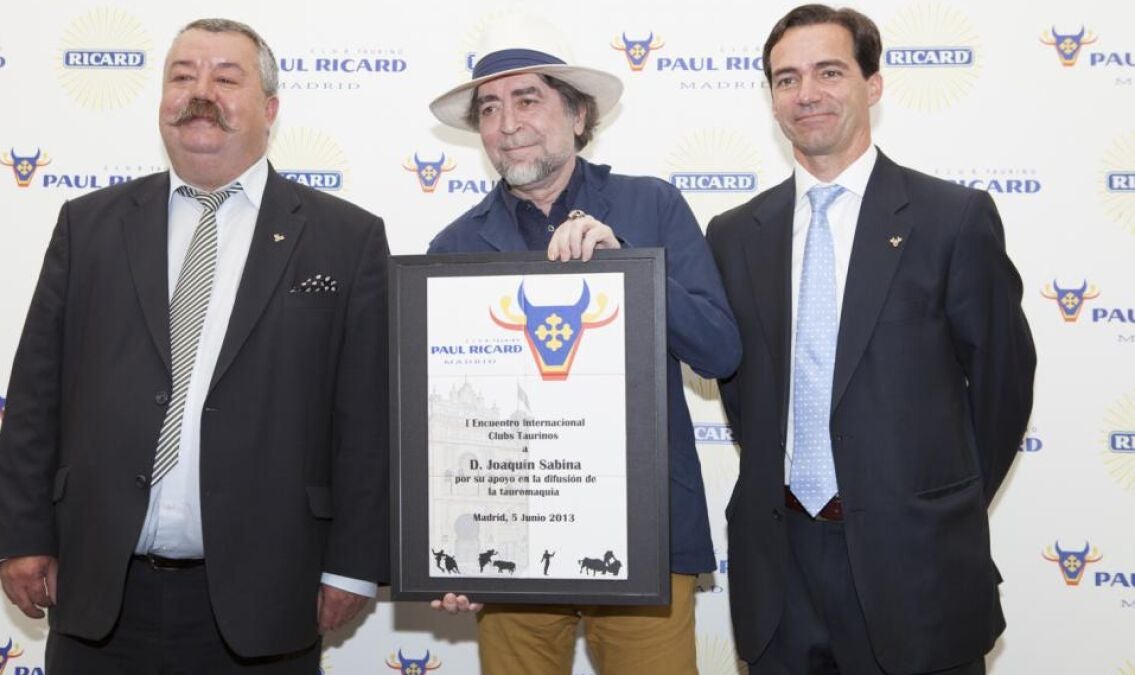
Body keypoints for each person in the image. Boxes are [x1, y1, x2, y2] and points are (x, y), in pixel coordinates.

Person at [0, 18, 389, 673]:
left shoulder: (346, 239)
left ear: (270, 109)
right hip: (98, 590)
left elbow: (365, 418)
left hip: (268, 595)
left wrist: (353, 565)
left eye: (226, 78)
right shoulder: (88, 225)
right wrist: (22, 535)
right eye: (182, 76)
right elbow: (36, 392)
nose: (200, 93)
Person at [705, 5, 1036, 674]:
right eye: (786, 78)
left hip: (916, 567)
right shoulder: (734, 234)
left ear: (873, 85)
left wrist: (929, 502)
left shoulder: (952, 219)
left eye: (829, 72)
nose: (806, 93)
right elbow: (743, 395)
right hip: (780, 573)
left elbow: (1001, 388)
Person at [426, 28, 742, 675]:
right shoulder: (454, 246)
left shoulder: (651, 205)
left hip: (645, 534)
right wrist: (446, 550)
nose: (507, 124)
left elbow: (719, 350)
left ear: (577, 115)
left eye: (527, 100)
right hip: (511, 547)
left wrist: (627, 265)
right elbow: (441, 420)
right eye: (489, 109)